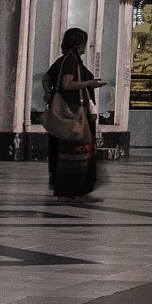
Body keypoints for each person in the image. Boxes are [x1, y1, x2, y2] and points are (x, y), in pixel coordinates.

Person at [44, 27, 105, 200]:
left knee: (78, 151)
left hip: (74, 110)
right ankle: (71, 190)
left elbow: (47, 79)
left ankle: (76, 189)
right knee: (78, 151)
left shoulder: (65, 60)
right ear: (79, 45)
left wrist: (49, 93)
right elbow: (67, 84)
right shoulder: (71, 61)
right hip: (73, 111)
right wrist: (89, 83)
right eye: (85, 43)